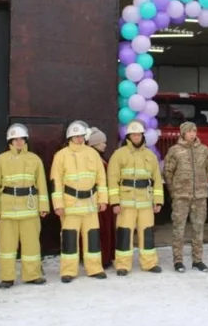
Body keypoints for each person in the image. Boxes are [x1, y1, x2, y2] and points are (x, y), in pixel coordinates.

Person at [0, 123, 50, 289]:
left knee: (32, 245)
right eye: (15, 139)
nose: (19, 142)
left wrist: (43, 206)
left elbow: (41, 184)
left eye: (22, 139)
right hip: (8, 210)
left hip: (29, 209)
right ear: (10, 141)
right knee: (7, 247)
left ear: (26, 140)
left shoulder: (34, 159)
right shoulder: (0, 160)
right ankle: (7, 277)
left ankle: (32, 275)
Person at [50, 120, 109, 283]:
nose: (79, 139)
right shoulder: (61, 155)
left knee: (92, 239)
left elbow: (101, 179)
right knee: (69, 239)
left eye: (81, 136)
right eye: (75, 136)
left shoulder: (93, 154)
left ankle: (95, 268)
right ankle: (68, 271)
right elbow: (56, 182)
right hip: (70, 205)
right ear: (70, 137)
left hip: (90, 204)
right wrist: (58, 204)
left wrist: (103, 199)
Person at [107, 120, 164, 276]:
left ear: (142, 136)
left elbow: (157, 180)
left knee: (147, 233)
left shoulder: (150, 156)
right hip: (126, 203)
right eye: (133, 134)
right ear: (128, 136)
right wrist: (114, 202)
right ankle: (122, 265)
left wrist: (158, 201)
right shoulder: (119, 155)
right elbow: (112, 180)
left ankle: (149, 263)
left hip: (146, 202)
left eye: (139, 134)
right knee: (124, 234)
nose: (136, 137)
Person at [164, 121, 208, 273]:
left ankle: (197, 260)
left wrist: (201, 185)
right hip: (181, 196)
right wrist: (174, 191)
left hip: (200, 197)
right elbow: (168, 172)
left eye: (194, 131)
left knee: (198, 229)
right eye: (189, 131)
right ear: (183, 133)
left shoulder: (204, 150)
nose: (192, 134)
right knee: (179, 229)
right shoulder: (175, 151)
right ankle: (178, 261)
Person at [87, 127, 116, 269]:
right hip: (99, 201)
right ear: (95, 144)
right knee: (102, 230)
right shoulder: (95, 159)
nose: (105, 145)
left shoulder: (100, 157)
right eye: (102, 142)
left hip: (103, 199)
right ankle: (103, 258)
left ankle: (105, 256)